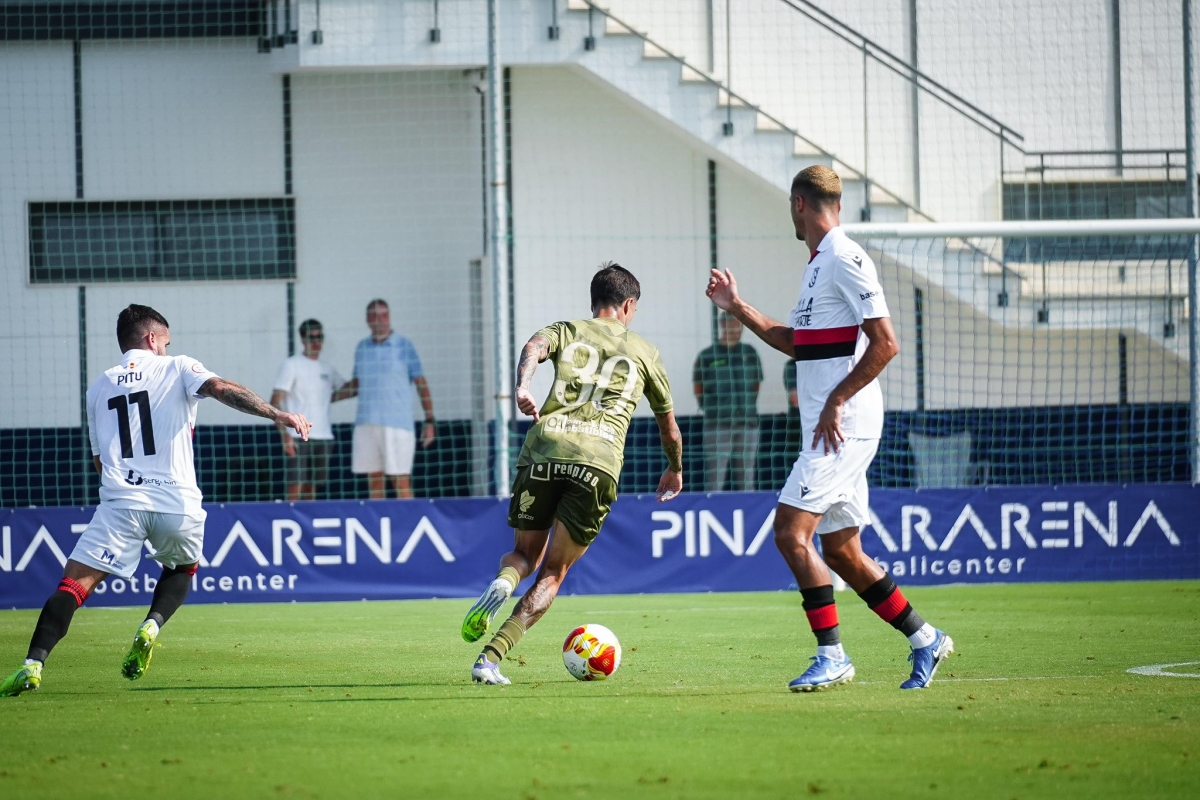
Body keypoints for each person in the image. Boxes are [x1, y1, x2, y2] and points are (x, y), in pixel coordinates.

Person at [705, 165, 953, 691]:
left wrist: (837, 400)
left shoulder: (845, 256)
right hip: (830, 426)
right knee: (842, 551)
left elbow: (886, 342)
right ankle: (925, 638)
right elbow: (798, 344)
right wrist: (737, 307)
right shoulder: (818, 266)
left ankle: (832, 654)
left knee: (790, 534)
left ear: (799, 204)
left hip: (840, 428)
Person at [0, 304, 311, 697]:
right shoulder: (178, 366)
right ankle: (152, 625)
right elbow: (220, 389)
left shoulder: (98, 387)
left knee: (73, 585)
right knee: (183, 567)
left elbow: (99, 461)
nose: (167, 348)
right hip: (176, 500)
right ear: (152, 339)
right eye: (165, 341)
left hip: (122, 502)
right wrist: (274, 413)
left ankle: (32, 665)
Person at [461, 263, 683, 685]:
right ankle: (490, 658)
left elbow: (533, 345)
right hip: (597, 463)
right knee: (553, 572)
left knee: (524, 556)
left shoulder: (568, 329)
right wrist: (674, 468)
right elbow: (669, 427)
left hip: (545, 450)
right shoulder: (645, 351)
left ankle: (504, 582)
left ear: (594, 302)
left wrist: (523, 386)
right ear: (628, 304)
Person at [339, 299, 435, 499]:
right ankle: (379, 528)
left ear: (389, 317)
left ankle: (409, 526)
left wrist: (429, 421)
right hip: (366, 424)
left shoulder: (404, 345)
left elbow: (421, 383)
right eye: (374, 315)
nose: (380, 320)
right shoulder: (362, 348)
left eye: (384, 315)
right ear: (367, 319)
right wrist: (324, 397)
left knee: (400, 481)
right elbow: (357, 385)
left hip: (397, 426)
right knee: (374, 482)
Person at [270, 318, 350, 501]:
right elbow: (275, 401)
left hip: (324, 436)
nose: (316, 342)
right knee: (295, 485)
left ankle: (306, 526)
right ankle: (288, 521)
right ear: (302, 339)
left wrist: (365, 375)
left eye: (319, 337)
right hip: (298, 435)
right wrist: (285, 436)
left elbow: (344, 391)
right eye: (311, 337)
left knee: (311, 488)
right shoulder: (292, 364)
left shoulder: (327, 368)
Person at [693, 312, 763, 491]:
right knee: (715, 479)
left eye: (739, 325)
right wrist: (713, 408)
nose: (735, 329)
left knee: (747, 479)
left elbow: (756, 384)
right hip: (718, 424)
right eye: (731, 324)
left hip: (748, 422)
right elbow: (698, 387)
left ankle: (748, 515)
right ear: (722, 325)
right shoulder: (708, 356)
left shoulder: (750, 353)